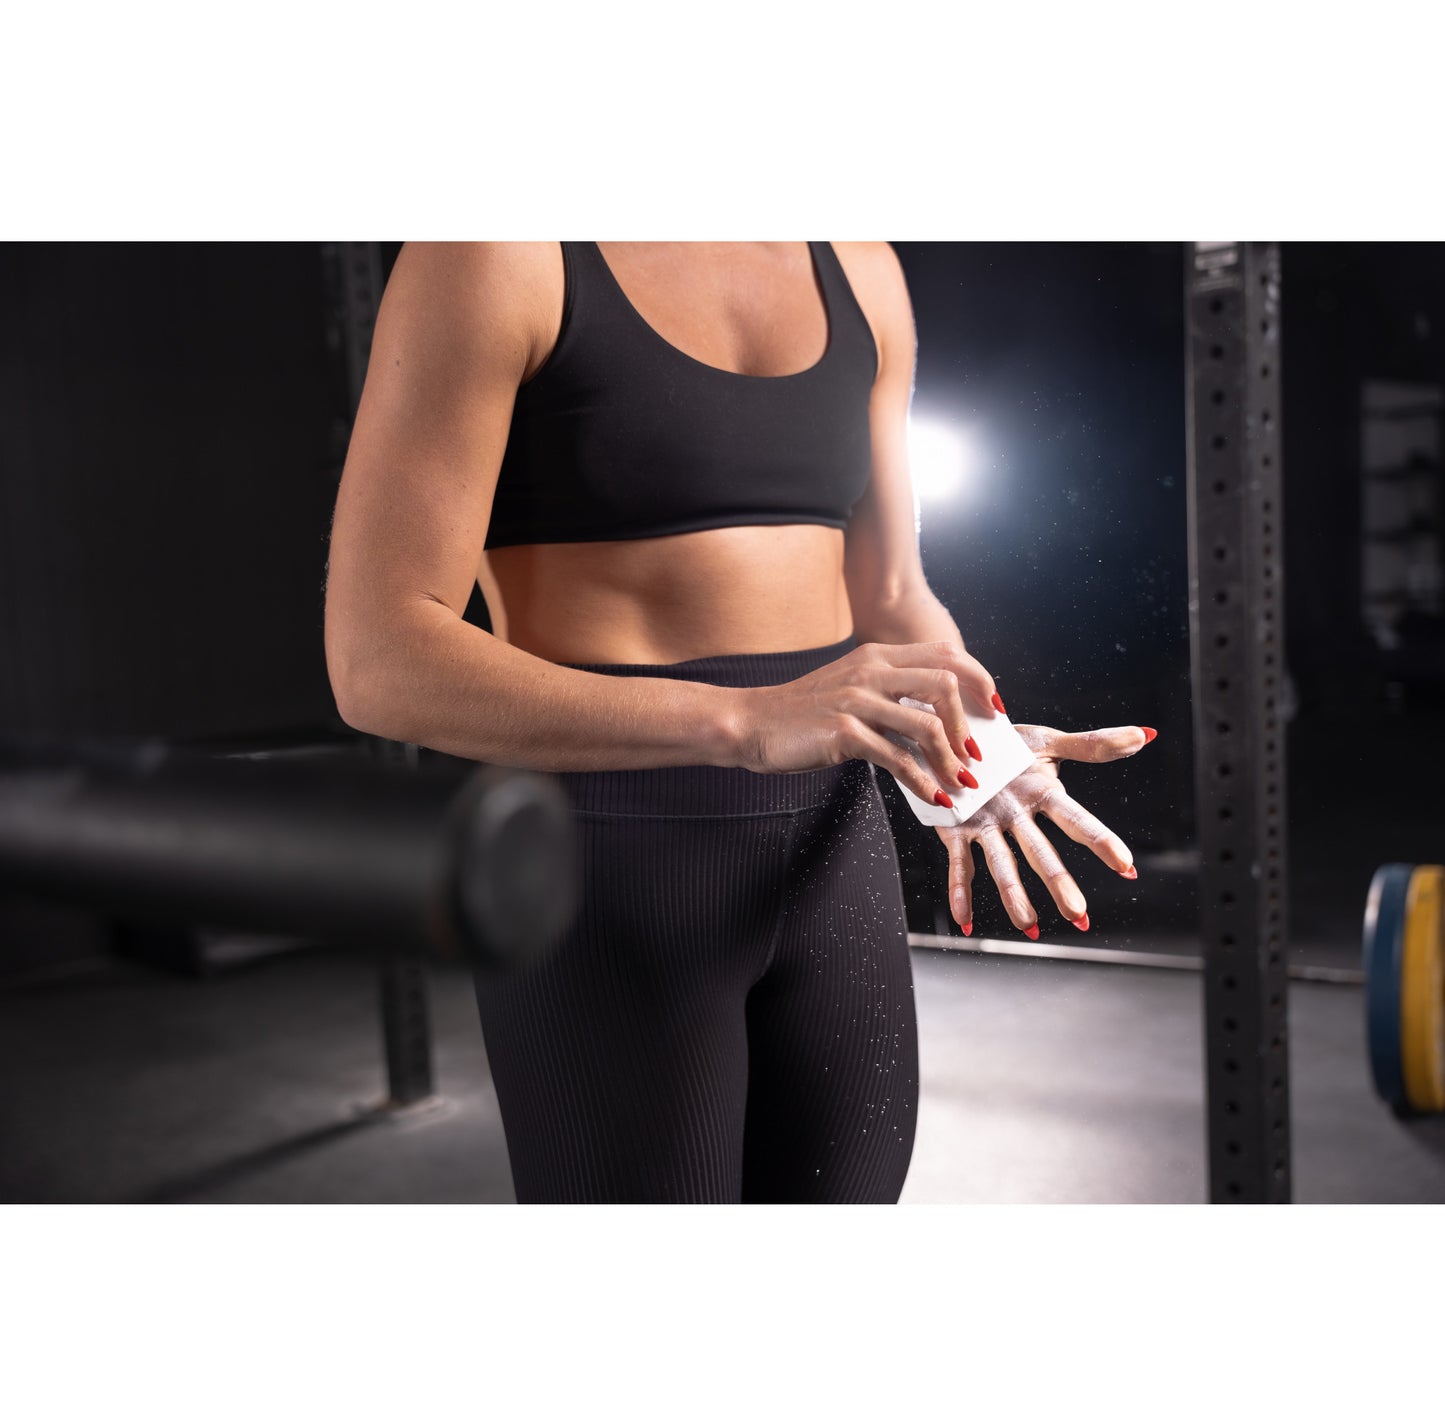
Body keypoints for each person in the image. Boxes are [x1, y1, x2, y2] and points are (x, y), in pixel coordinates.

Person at [323, 240, 1153, 1204]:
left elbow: (889, 594)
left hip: (831, 852)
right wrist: (743, 719)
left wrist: (978, 754)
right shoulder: (498, 251)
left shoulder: (856, 260)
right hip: (606, 863)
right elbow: (377, 661)